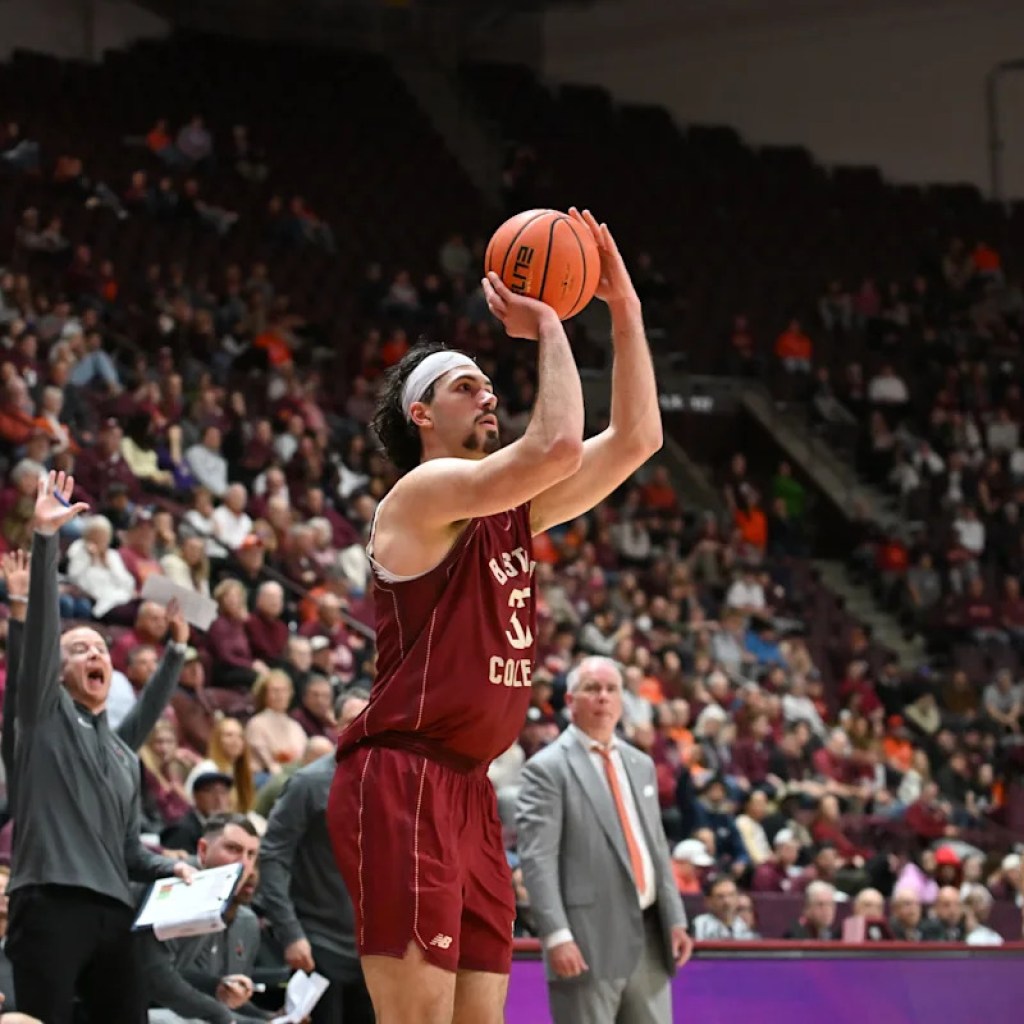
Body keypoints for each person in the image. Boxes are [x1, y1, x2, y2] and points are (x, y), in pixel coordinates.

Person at [326, 209, 663, 1024]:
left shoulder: (507, 511)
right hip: (401, 777)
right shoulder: (420, 496)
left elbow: (636, 441)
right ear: (421, 416)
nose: (488, 394)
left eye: (487, 381)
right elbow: (552, 446)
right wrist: (548, 317)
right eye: (464, 386)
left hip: (470, 789)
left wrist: (624, 310)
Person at [6, 471, 193, 1024]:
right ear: (55, 671)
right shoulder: (40, 715)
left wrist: (172, 869)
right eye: (80, 648)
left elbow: (130, 852)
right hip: (49, 903)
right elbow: (39, 633)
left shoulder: (117, 751)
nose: (97, 654)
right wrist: (46, 542)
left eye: (102, 649)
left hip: (115, 911)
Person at [515, 656, 691, 1024]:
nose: (603, 697)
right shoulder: (546, 770)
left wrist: (675, 917)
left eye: (612, 689)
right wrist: (556, 935)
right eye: (592, 689)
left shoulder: (640, 763)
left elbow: (656, 846)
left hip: (649, 938)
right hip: (585, 940)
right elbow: (537, 860)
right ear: (570, 701)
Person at [260, 752, 374, 1024]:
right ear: (338, 725)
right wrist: (290, 932)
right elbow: (273, 857)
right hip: (318, 942)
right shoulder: (308, 783)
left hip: (374, 949)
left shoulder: (395, 782)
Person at [142, 813, 266, 1024]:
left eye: (251, 854)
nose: (244, 864)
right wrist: (219, 1014)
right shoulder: (176, 887)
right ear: (203, 849)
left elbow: (176, 973)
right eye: (233, 849)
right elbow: (153, 975)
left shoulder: (229, 909)